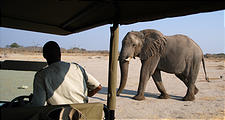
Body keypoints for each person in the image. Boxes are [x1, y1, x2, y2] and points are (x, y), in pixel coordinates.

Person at [32, 41, 102, 106]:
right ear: (60, 54)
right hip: (83, 112)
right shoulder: (76, 68)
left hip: (59, 114)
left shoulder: (41, 75)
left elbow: (38, 105)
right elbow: (98, 87)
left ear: (44, 56)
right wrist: (86, 94)